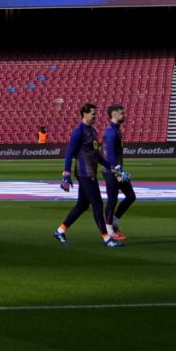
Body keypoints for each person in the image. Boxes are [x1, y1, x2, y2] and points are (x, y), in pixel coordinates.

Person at [54, 103, 118, 247]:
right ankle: (107, 238)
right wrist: (66, 173)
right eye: (93, 114)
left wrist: (110, 166)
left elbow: (96, 154)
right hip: (84, 172)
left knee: (82, 205)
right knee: (98, 204)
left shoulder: (92, 131)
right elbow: (70, 152)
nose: (96, 116)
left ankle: (60, 231)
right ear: (85, 114)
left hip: (90, 171)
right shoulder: (78, 131)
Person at [101, 104, 136, 236]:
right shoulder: (110, 131)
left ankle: (114, 221)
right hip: (111, 170)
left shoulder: (116, 130)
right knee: (112, 200)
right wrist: (118, 169)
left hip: (117, 169)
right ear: (114, 114)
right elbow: (109, 153)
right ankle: (109, 228)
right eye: (122, 113)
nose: (124, 115)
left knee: (131, 196)